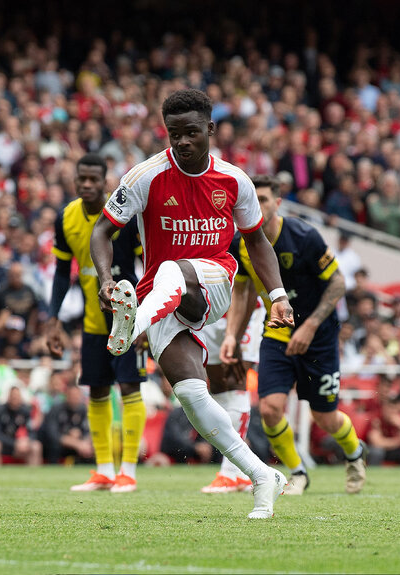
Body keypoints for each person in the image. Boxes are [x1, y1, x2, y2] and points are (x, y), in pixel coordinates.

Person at [90, 89, 294, 519]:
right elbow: (100, 233)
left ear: (210, 131)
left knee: (172, 270)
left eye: (192, 133)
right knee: (191, 396)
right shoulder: (144, 176)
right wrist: (107, 280)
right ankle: (262, 477)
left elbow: (256, 241)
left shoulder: (234, 181)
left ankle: (131, 326)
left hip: (213, 281)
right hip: (161, 296)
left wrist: (277, 296)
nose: (182, 141)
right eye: (174, 133)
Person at [221, 175, 367, 495]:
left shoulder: (303, 236)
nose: (256, 205)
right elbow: (243, 291)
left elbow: (338, 283)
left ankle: (355, 453)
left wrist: (311, 325)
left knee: (325, 418)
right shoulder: (241, 242)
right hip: (276, 334)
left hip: (319, 337)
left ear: (278, 203)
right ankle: (297, 471)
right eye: (251, 199)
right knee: (270, 408)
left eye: (263, 198)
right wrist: (233, 334)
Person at [46, 153, 147, 493]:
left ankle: (128, 472)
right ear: (75, 180)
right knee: (97, 389)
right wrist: (52, 318)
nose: (87, 185)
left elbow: (147, 262)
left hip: (128, 319)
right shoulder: (66, 218)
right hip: (92, 321)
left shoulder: (125, 216)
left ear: (106, 182)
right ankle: (104, 471)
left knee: (130, 387)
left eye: (94, 180)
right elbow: (62, 273)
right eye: (82, 179)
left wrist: (146, 317)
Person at [199, 294, 265, 493]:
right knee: (218, 386)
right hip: (210, 309)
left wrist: (235, 335)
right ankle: (237, 473)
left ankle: (230, 471)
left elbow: (247, 280)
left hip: (244, 307)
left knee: (236, 380)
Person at [0, 383, 43, 466]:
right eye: (13, 396)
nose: (15, 398)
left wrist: (26, 441)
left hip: (19, 445)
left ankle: (34, 476)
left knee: (36, 446)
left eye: (17, 396)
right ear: (8, 397)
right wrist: (14, 443)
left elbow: (32, 431)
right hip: (2, 443)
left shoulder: (25, 411)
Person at [39, 383, 93, 464]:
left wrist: (84, 441)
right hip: (57, 447)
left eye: (77, 396)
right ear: (66, 395)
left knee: (91, 447)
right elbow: (52, 435)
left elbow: (89, 431)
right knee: (54, 446)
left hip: (79, 446)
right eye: (72, 395)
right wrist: (75, 442)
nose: (75, 398)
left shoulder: (83, 410)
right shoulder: (56, 409)